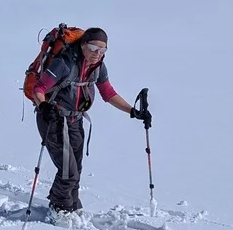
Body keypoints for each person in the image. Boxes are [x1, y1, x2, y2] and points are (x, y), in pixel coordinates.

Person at [27, 27, 149, 215]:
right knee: (68, 172)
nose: (97, 54)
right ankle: (60, 210)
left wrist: (133, 111)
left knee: (76, 169)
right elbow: (39, 88)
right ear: (83, 45)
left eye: (102, 50)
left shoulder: (98, 67)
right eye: (93, 48)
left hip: (75, 121)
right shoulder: (64, 63)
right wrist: (43, 107)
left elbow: (108, 93)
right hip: (53, 119)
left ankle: (72, 207)